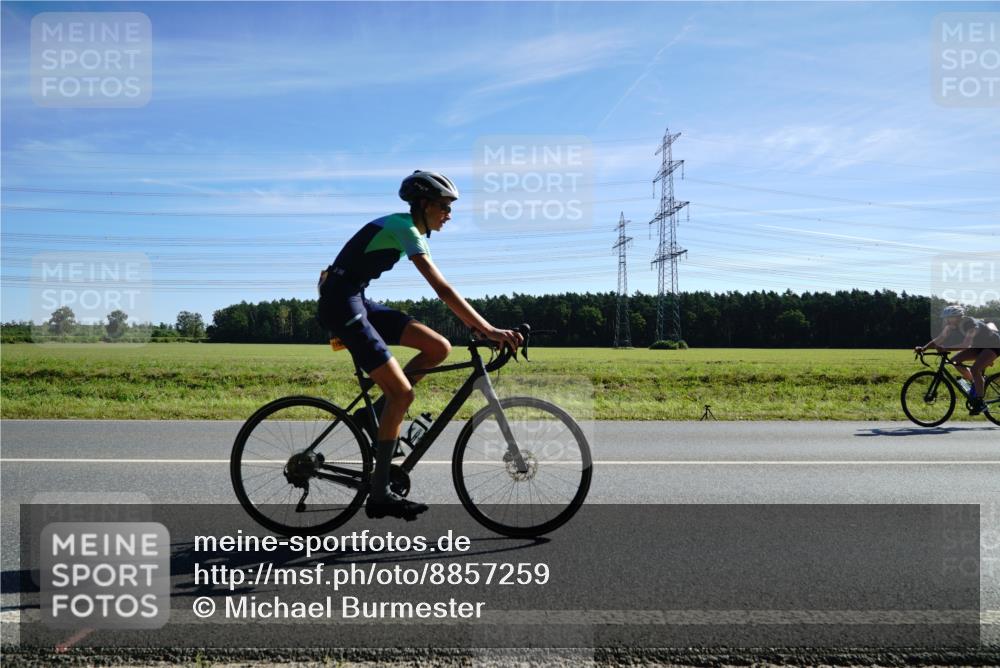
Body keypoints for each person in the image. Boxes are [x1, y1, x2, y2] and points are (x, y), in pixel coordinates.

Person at [317, 170, 523, 519]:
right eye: (444, 206)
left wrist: (479, 328)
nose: (449, 214)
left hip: (355, 298)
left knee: (439, 347)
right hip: (341, 303)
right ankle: (380, 494)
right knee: (402, 394)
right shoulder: (406, 228)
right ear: (425, 204)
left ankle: (373, 415)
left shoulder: (406, 228)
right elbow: (441, 289)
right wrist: (487, 328)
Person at [915, 304, 1000, 415]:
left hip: (994, 345)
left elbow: (965, 345)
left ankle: (980, 402)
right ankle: (976, 382)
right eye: (945, 318)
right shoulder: (951, 326)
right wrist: (924, 348)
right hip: (979, 346)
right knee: (955, 361)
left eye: (949, 318)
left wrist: (945, 348)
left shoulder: (971, 325)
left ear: (958, 317)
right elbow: (940, 338)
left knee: (975, 369)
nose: (946, 320)